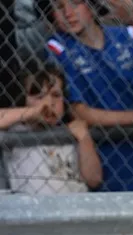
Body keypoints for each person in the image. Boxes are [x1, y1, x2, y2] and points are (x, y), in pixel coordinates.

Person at [39, 0, 133, 191]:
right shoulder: (57, 49)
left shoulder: (129, 36)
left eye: (76, 3)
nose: (68, 13)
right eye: (59, 7)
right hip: (101, 156)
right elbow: (79, 112)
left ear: (92, 4)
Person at [1, 59, 102, 193]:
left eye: (56, 95)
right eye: (39, 96)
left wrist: (84, 138)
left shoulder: (72, 131)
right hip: (35, 210)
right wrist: (33, 112)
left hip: (75, 208)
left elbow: (94, 179)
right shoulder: (16, 130)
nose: (49, 103)